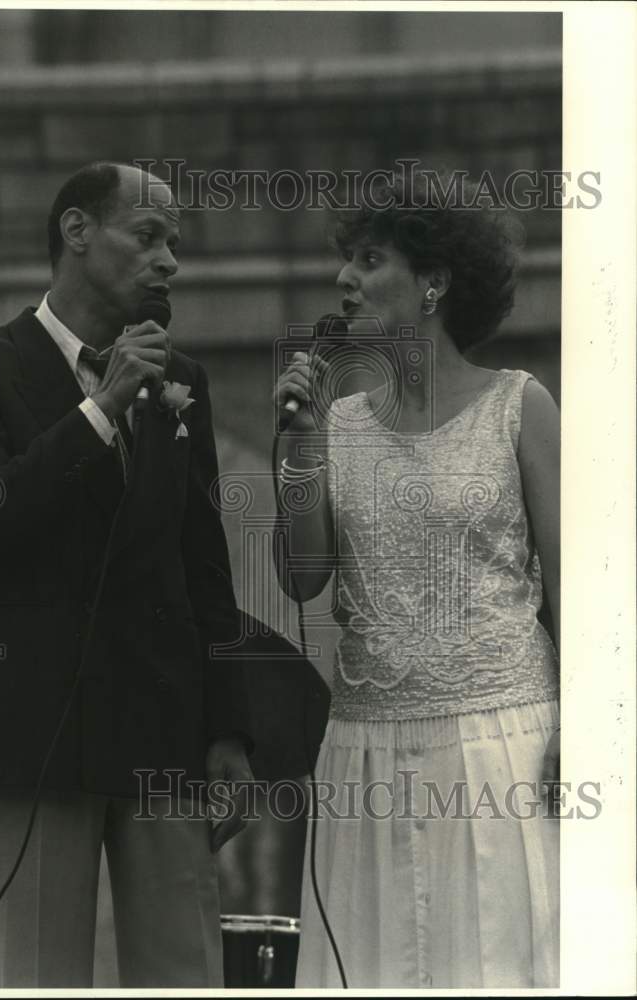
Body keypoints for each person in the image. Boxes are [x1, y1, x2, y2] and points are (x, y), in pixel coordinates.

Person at [0, 161, 254, 988]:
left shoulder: (184, 382)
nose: (170, 261)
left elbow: (202, 565)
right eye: (147, 237)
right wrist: (99, 411)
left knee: (187, 970)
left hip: (162, 729)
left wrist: (227, 730)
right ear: (77, 232)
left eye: (174, 245)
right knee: (40, 974)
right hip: (40, 731)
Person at [272, 175, 560, 988]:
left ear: (433, 282)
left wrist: (589, 725)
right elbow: (300, 581)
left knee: (496, 961)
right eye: (345, 261)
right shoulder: (338, 423)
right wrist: (297, 445)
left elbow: (581, 587)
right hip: (363, 751)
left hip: (500, 745)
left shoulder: (519, 406)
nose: (344, 281)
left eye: (370, 260)